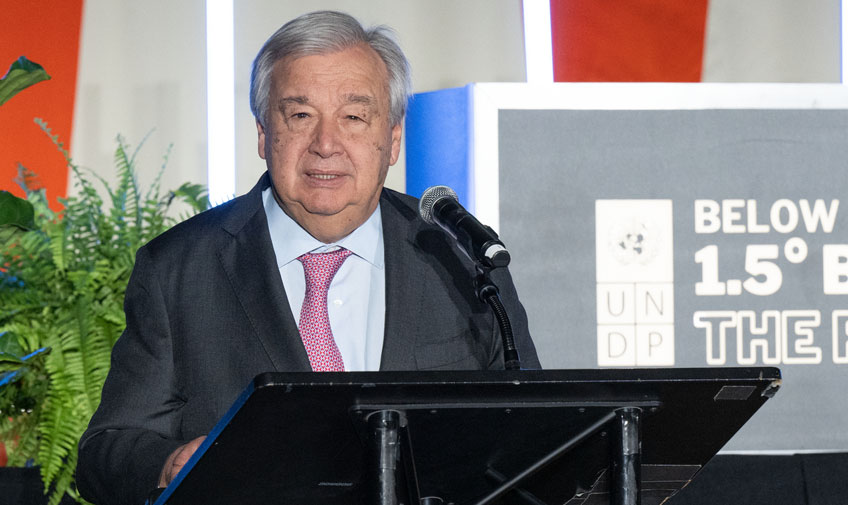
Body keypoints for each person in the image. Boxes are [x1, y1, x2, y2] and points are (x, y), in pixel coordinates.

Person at [75, 10, 539, 505]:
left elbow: (537, 435)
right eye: (300, 116)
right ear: (262, 134)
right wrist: (168, 465)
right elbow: (107, 452)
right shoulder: (178, 270)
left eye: (354, 117)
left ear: (394, 138)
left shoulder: (460, 256)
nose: (325, 145)